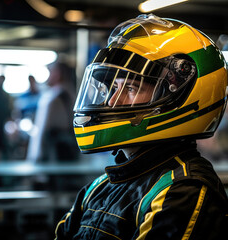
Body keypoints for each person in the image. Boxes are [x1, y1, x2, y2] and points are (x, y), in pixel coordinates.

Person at [55, 14, 228, 239]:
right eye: (113, 88)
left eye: (131, 88)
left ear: (180, 97)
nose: (110, 101)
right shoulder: (100, 186)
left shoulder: (184, 189)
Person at [26, 61, 78, 163]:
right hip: (60, 155)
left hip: (51, 157)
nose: (48, 76)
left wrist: (36, 156)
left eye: (50, 72)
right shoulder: (67, 94)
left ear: (58, 74)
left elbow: (44, 129)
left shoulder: (56, 97)